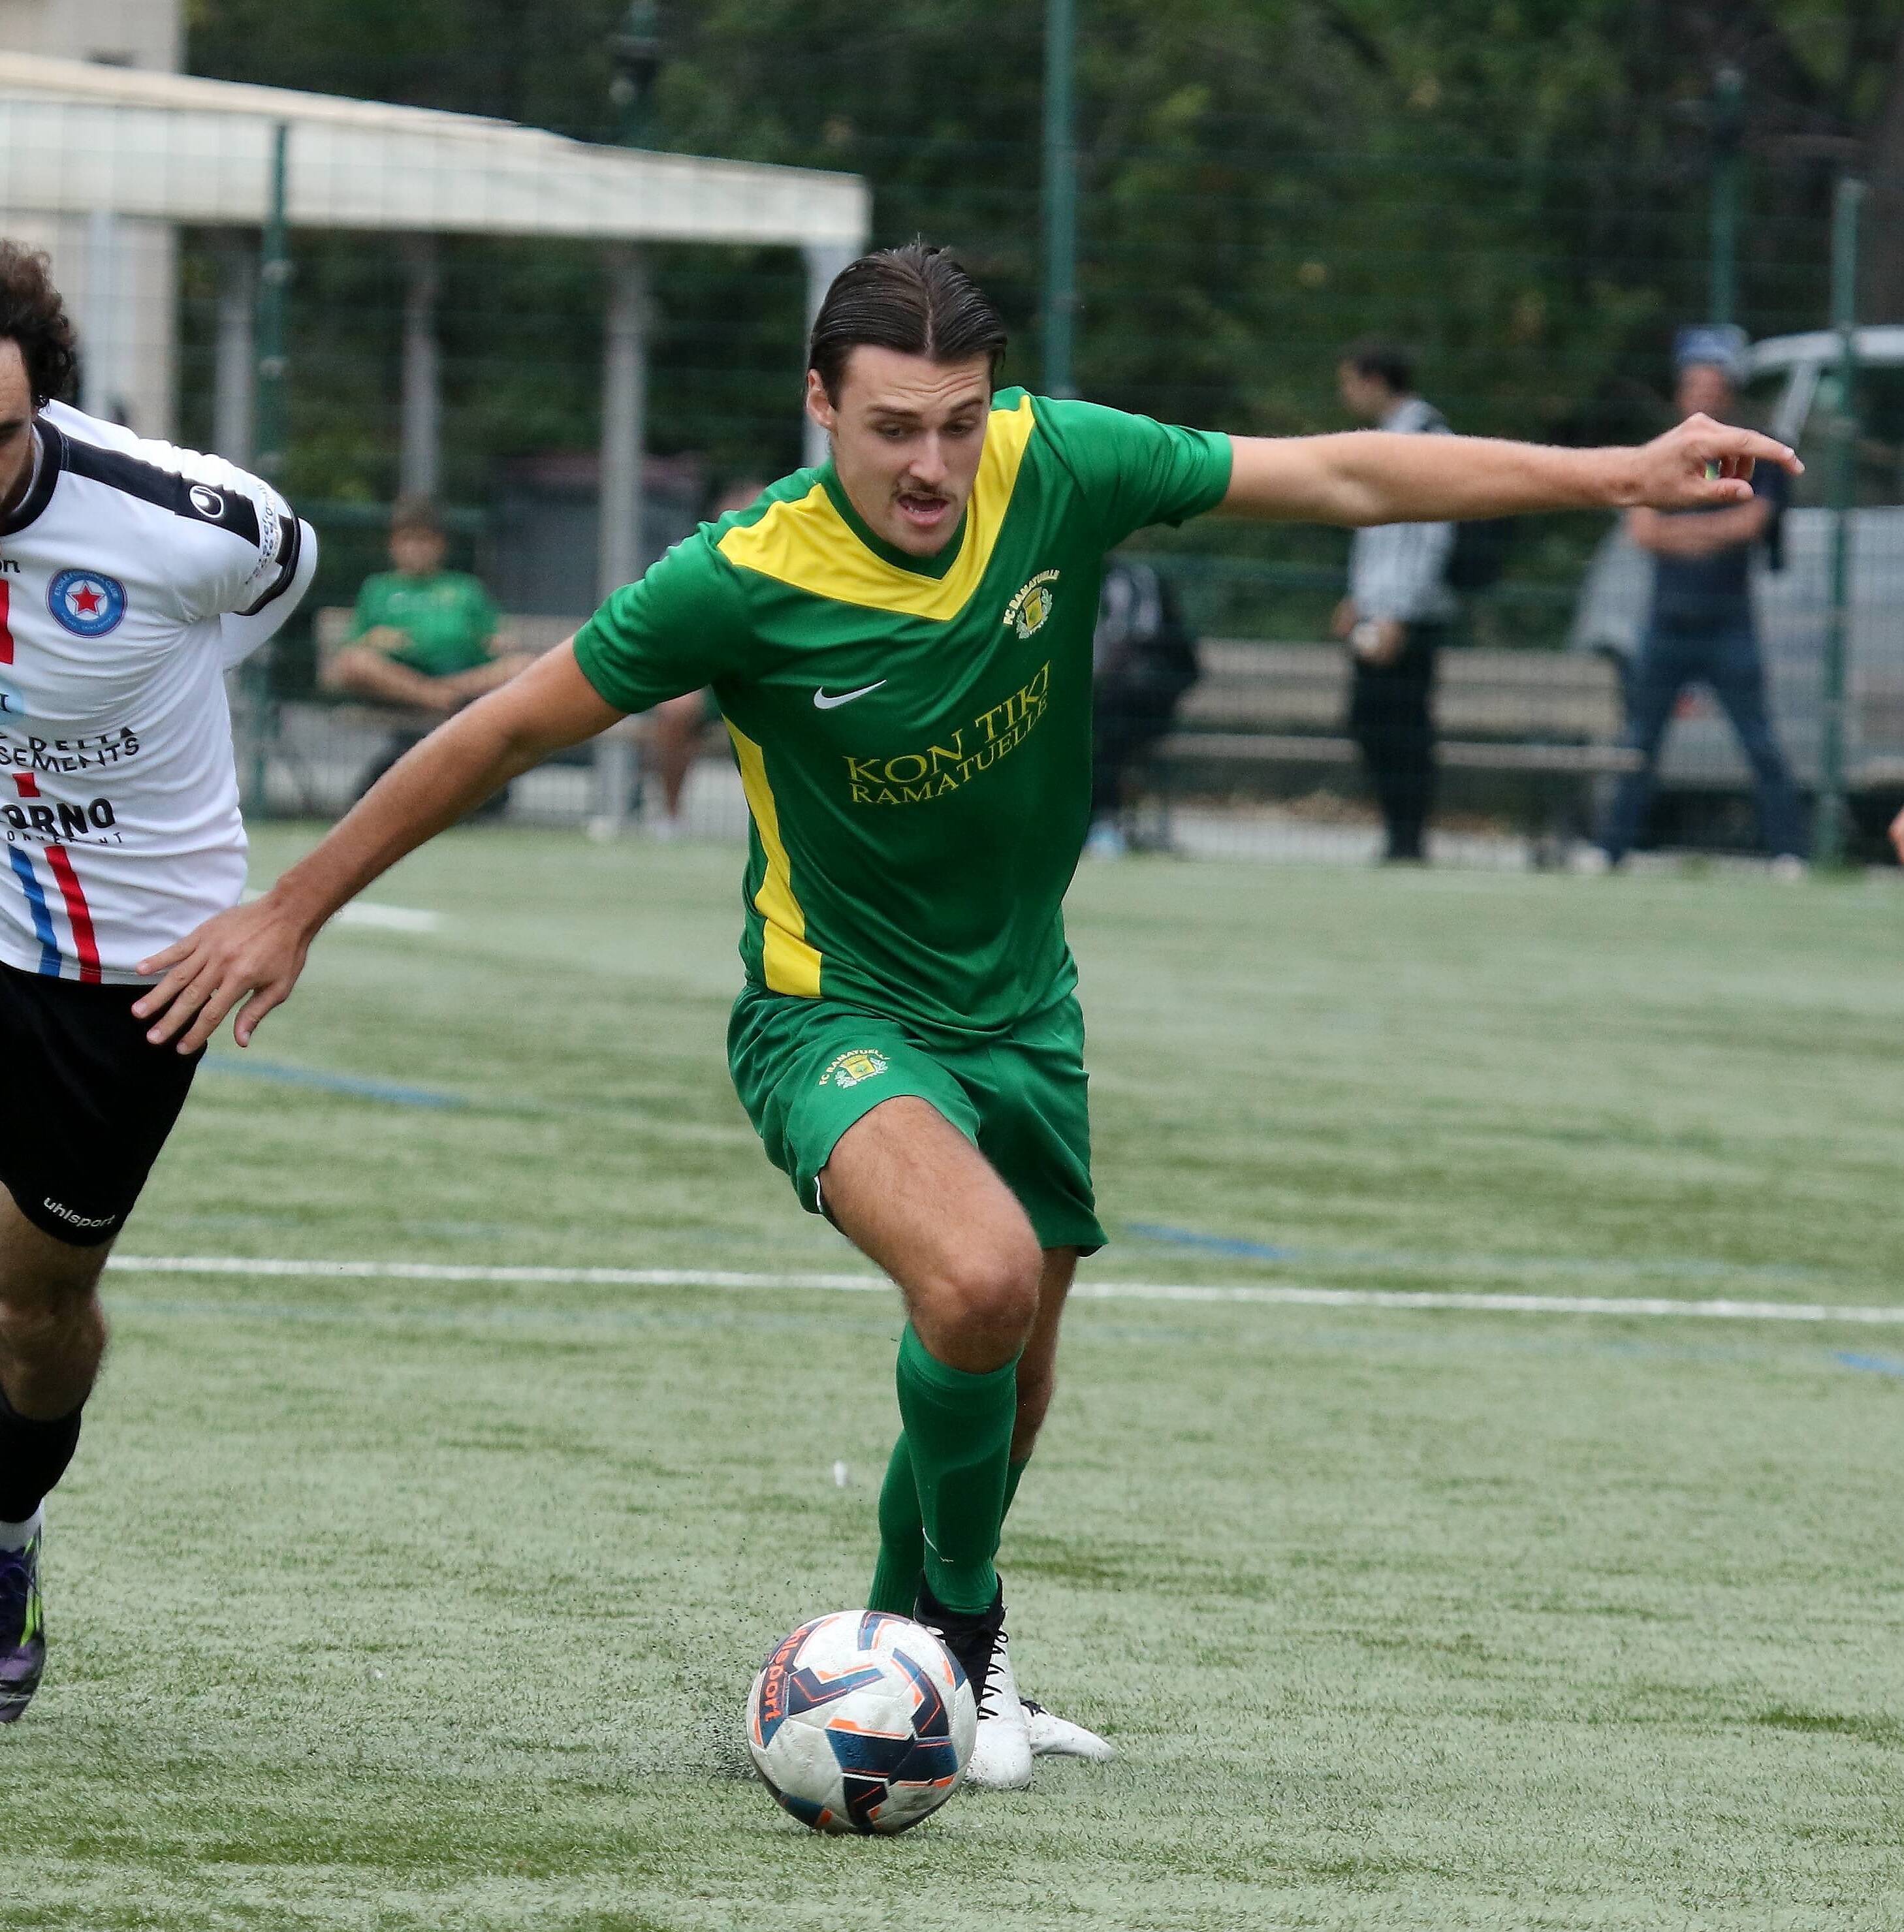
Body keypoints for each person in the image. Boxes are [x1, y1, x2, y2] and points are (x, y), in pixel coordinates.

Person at [129, 243, 1794, 1784]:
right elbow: (496, 731)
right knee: (978, 1275)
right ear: (818, 408)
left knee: (1009, 1364)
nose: (930, 465)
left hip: (1026, 1010)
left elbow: (1341, 471)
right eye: (889, 429)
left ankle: (880, 1672)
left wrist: (1613, 473)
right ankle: (970, 1643)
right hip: (827, 1013)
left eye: (958, 421)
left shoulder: (1052, 465)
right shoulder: (738, 577)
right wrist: (291, 904)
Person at [0, 243, 316, 1720]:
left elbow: (283, 567)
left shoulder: (178, 521)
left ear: (42, 411)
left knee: (33, 1307)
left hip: (130, 959)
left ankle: (8, 1526)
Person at [1591, 334, 1805, 872]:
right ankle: (1611, 849)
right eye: (1694, 385)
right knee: (1640, 740)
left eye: (1714, 385)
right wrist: (1710, 532)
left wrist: (1686, 532)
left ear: (1729, 392)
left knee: (1758, 740)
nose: (1703, 396)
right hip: (1667, 622)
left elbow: (1751, 522)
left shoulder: (1752, 453)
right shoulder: (1661, 450)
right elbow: (1644, 529)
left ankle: (1790, 852)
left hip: (1728, 621)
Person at [1331, 340, 1457, 864]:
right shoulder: (1386, 438)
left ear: (1375, 380)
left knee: (1403, 725)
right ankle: (1398, 834)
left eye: (1350, 381)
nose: (1345, 394)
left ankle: (1409, 838)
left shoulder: (1427, 437)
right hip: (1379, 607)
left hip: (1409, 614)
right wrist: (1359, 598)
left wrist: (1397, 614)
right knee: (1373, 719)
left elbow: (1432, 533)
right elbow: (1377, 531)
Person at [639, 477, 767, 840]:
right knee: (677, 710)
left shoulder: (799, 562)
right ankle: (670, 816)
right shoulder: (692, 559)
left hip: (771, 675)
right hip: (706, 677)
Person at [324, 497, 531, 716]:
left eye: (424, 540)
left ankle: (436, 695)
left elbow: (495, 638)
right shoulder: (378, 588)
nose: (416, 548)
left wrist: (499, 643)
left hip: (465, 676)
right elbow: (351, 651)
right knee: (356, 662)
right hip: (400, 683)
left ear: (440, 544)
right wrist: (374, 639)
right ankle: (438, 698)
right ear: (393, 544)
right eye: (408, 540)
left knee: (524, 665)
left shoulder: (466, 587)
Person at [1083, 554, 1198, 859]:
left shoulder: (1133, 581)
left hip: (1134, 707)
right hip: (1113, 704)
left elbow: (1131, 640)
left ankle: (1103, 823)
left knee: (1105, 742)